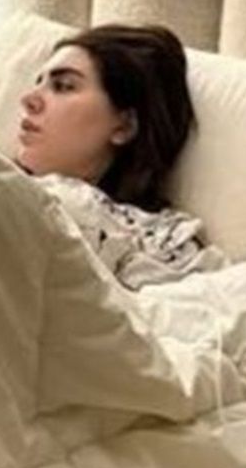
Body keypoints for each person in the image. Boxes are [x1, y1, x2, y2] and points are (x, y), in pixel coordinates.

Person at [14, 24, 226, 289]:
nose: (29, 99)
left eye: (63, 86)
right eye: (38, 82)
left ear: (124, 126)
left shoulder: (159, 242)